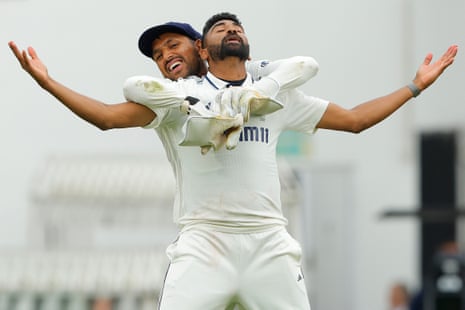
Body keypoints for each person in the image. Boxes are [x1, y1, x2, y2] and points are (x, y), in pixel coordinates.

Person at [10, 12, 457, 310]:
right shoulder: (172, 102)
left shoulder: (279, 96)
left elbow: (357, 120)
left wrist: (414, 86)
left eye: (173, 44)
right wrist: (49, 83)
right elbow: (107, 118)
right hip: (203, 244)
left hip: (269, 244)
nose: (165, 54)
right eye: (157, 51)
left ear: (201, 50)